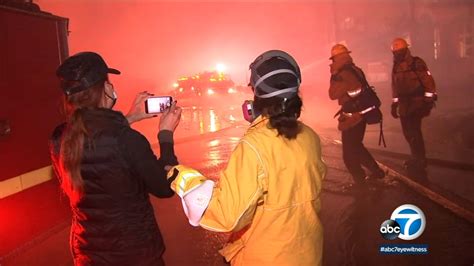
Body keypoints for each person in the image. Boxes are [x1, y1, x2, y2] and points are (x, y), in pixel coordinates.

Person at [168, 50, 326, 265]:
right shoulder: (311, 137)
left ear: (256, 93)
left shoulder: (255, 145)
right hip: (308, 255)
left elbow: (226, 215)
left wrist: (179, 175)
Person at [49, 52, 182, 266]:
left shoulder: (59, 138)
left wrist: (130, 117)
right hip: (135, 255)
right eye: (108, 82)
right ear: (105, 90)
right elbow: (164, 187)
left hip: (88, 256)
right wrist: (165, 135)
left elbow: (98, 141)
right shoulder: (126, 139)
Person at [328, 44, 385, 191]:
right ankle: (376, 171)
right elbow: (358, 89)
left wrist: (337, 83)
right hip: (362, 113)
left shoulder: (340, 73)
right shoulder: (355, 69)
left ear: (334, 58)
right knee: (357, 146)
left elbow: (332, 95)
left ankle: (360, 183)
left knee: (349, 154)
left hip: (353, 116)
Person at [390, 38, 437, 173]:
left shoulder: (417, 63)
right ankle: (415, 157)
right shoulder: (396, 66)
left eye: (399, 51)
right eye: (395, 52)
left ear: (405, 50)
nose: (397, 54)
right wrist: (395, 104)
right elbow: (395, 87)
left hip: (417, 103)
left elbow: (429, 83)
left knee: (414, 132)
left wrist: (427, 102)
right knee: (407, 133)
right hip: (404, 105)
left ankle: (420, 159)